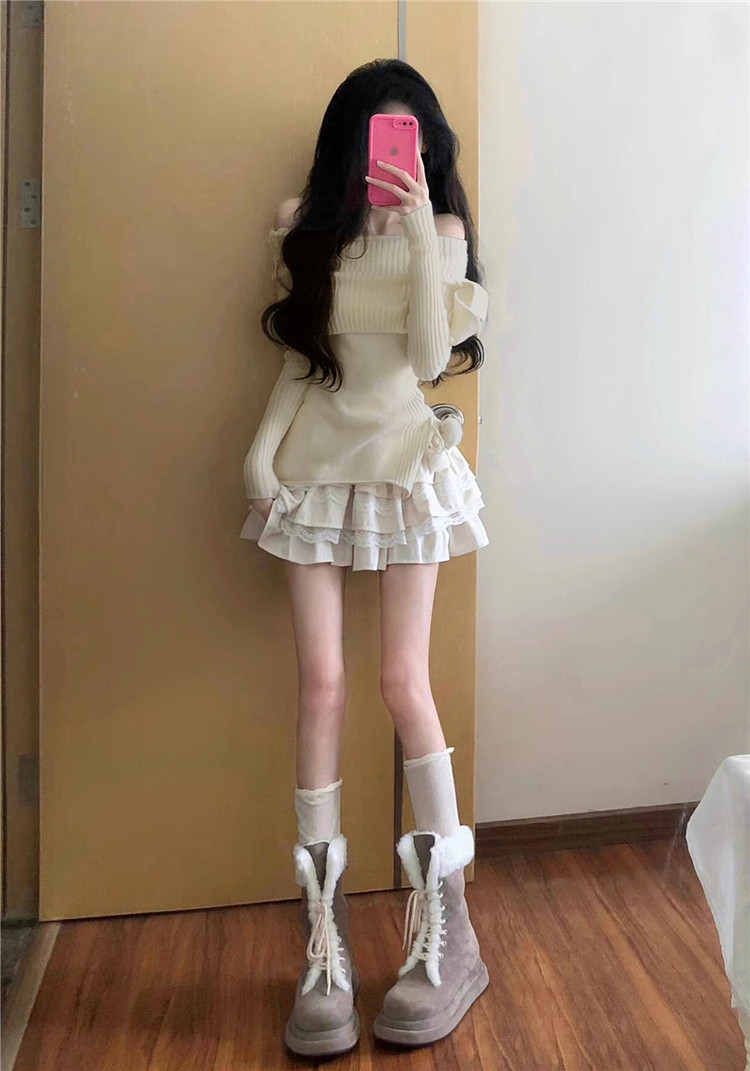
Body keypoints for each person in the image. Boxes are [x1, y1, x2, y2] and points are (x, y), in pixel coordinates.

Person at [239, 59, 490, 1055]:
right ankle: (325, 942)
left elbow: (427, 359)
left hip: (406, 468)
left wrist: (421, 228)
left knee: (401, 681)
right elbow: (303, 361)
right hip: (313, 472)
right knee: (323, 684)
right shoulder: (304, 226)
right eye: (380, 137)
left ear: (426, 148)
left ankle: (450, 931)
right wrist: (259, 455)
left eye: (409, 138)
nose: (393, 155)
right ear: (349, 143)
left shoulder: (445, 230)